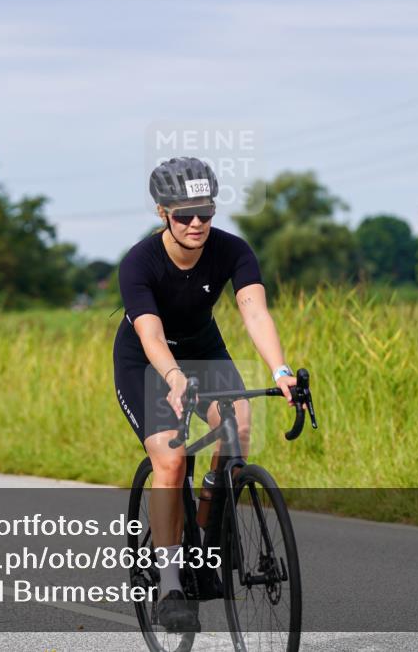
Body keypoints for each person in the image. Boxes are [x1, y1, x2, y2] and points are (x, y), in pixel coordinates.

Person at [112, 156, 301, 632]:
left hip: (202, 347)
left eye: (206, 213)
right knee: (172, 461)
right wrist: (174, 378)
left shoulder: (232, 250)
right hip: (147, 360)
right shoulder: (140, 262)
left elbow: (254, 312)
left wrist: (280, 370)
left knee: (236, 428)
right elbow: (151, 336)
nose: (197, 223)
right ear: (163, 214)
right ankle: (171, 581)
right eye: (184, 215)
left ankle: (208, 533)